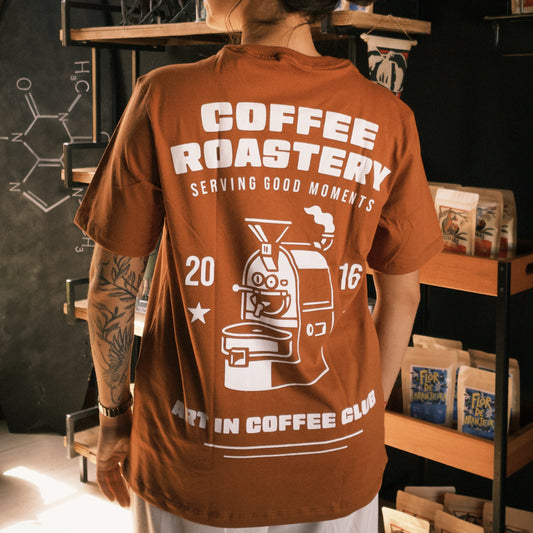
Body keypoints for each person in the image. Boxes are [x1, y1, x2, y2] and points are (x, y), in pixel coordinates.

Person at [75, 0, 443, 531]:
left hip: (195, 460)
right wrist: (354, 424)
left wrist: (113, 415)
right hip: (337, 461)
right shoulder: (388, 116)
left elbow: (112, 290)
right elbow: (403, 297)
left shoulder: (165, 96)